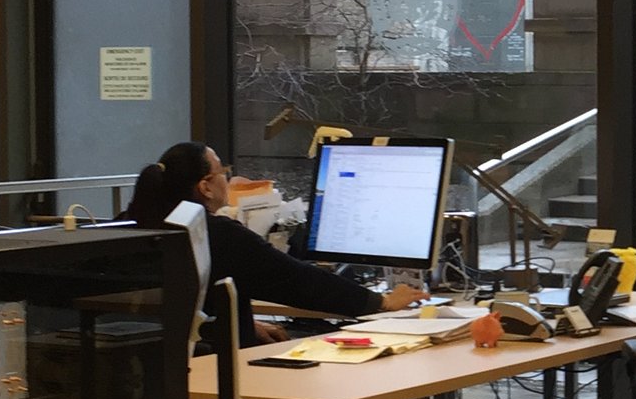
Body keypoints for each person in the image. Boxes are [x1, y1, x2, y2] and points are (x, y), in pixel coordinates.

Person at [122, 142, 423, 340]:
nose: (228, 177)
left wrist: (236, 325)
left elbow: (176, 309)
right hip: (216, 376)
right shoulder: (216, 233)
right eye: (222, 172)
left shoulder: (128, 226)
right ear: (205, 187)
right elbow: (297, 280)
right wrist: (380, 301)